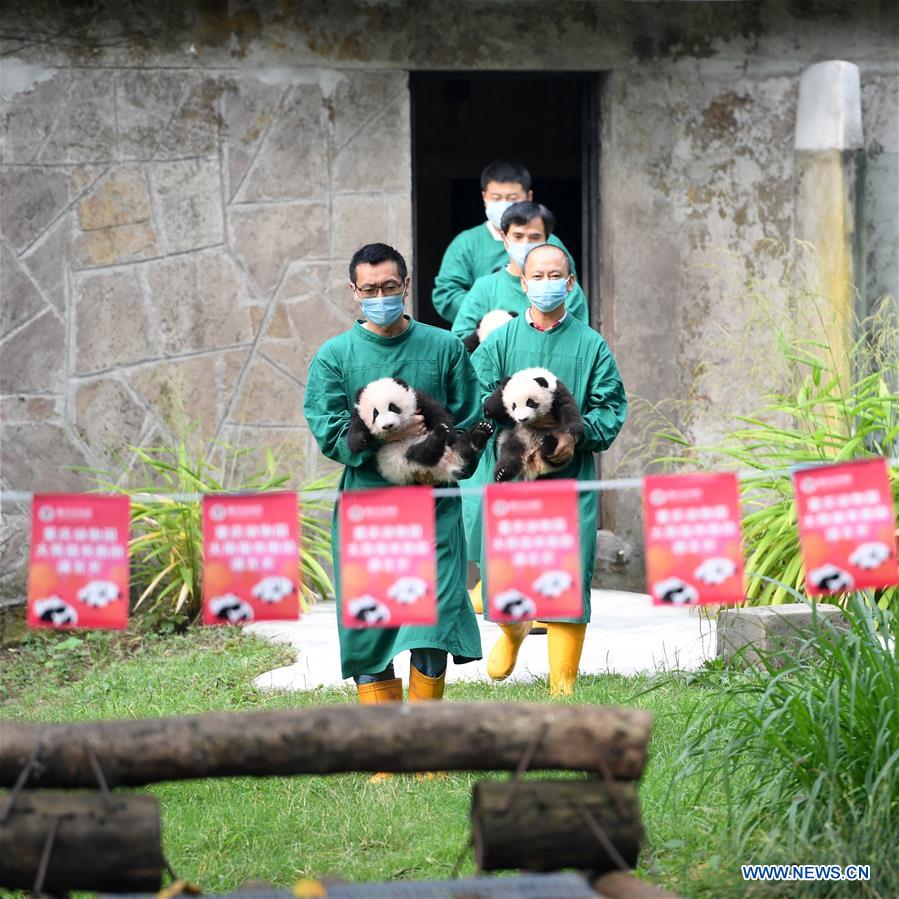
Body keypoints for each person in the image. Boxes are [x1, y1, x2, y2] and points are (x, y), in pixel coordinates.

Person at [304, 243, 483, 725]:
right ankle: (386, 747)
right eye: (369, 289)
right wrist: (377, 435)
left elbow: (468, 420)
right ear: (354, 292)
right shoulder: (335, 356)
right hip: (371, 510)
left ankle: (421, 743)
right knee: (373, 621)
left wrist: (439, 442)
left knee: (435, 615)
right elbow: (327, 429)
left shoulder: (444, 347)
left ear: (406, 285)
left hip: (433, 506)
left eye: (389, 287)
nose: (380, 296)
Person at [470, 243, 627, 695]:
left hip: (567, 481)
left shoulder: (591, 345)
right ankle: (513, 633)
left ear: (571, 283)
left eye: (554, 275)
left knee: (568, 574)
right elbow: (476, 394)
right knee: (508, 573)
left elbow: (610, 406)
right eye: (536, 277)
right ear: (523, 283)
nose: (546, 284)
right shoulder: (500, 342)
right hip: (513, 477)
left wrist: (575, 436)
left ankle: (563, 687)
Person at [454, 201, 590, 615]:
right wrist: (484, 334)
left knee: (554, 529)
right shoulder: (487, 290)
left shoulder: (584, 331)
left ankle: (550, 611)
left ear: (567, 282)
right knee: (494, 513)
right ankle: (501, 600)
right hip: (506, 430)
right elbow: (466, 361)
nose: (527, 244)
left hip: (556, 427)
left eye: (536, 237)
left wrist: (573, 426)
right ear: (503, 237)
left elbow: (573, 338)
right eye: (519, 236)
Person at [431, 160, 575, 325]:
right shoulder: (466, 244)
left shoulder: (552, 245)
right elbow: (446, 294)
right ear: (484, 197)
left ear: (528, 197)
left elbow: (569, 293)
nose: (504, 204)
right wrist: (489, 315)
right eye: (497, 198)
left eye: (512, 198)